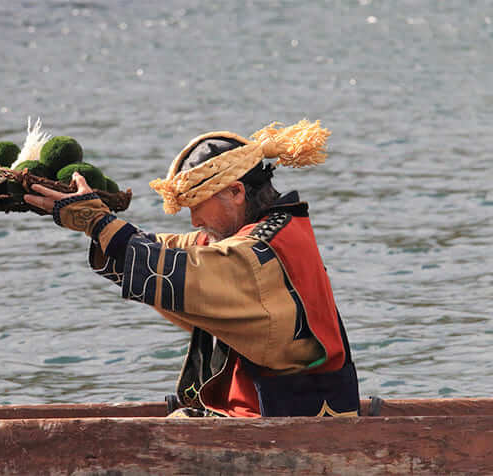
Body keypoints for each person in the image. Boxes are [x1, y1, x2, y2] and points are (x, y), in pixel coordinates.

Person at [23, 120, 360, 418]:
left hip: (284, 424)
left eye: (198, 207)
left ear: (236, 191)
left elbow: (180, 270)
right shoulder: (272, 229)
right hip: (274, 414)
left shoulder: (258, 251)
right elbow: (165, 251)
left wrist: (97, 222)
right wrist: (94, 223)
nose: (195, 221)